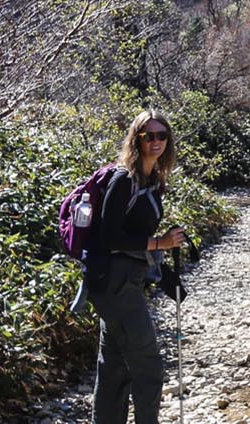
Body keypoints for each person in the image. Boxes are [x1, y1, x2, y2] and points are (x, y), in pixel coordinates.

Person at [84, 108, 187, 424]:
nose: (156, 141)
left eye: (162, 135)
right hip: (115, 283)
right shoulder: (124, 180)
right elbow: (110, 236)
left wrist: (162, 247)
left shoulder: (153, 180)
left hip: (126, 281)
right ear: (137, 139)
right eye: (149, 136)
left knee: (114, 366)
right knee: (148, 366)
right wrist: (161, 243)